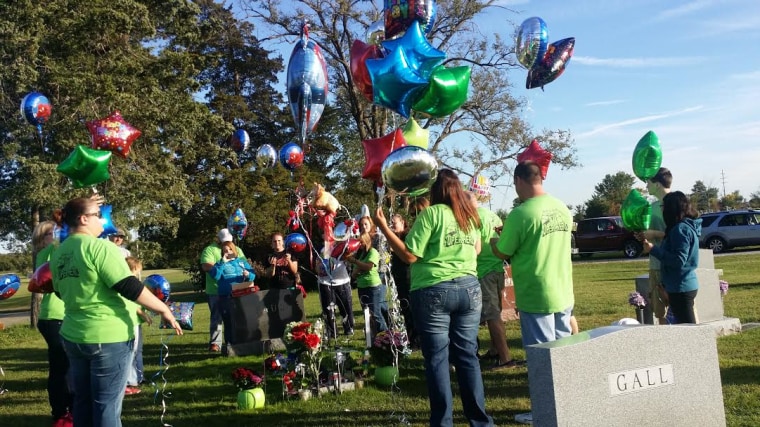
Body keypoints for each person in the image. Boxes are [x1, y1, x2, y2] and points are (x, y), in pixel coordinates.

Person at [374, 169, 493, 427]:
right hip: (469, 289)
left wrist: (383, 227)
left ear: (435, 191)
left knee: (438, 358)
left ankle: (443, 423)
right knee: (467, 356)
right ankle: (481, 421)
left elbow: (409, 255)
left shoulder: (430, 214)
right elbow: (478, 248)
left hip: (433, 290)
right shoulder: (469, 215)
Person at [50, 197, 182, 427]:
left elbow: (61, 292)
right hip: (108, 337)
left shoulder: (59, 253)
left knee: (82, 402)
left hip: (73, 335)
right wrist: (163, 309)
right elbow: (129, 286)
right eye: (97, 215)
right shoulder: (101, 247)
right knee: (106, 406)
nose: (103, 219)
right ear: (83, 219)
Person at [490, 162, 574, 424]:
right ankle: (567, 405)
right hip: (563, 289)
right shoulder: (562, 208)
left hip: (536, 292)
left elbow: (503, 251)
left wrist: (493, 240)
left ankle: (544, 411)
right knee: (562, 355)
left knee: (540, 359)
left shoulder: (521, 213)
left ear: (519, 180)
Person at [466, 192, 515, 370]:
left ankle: (505, 357)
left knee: (492, 315)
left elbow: (474, 246)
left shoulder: (472, 218)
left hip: (483, 270)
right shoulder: (493, 216)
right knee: (496, 312)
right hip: (497, 268)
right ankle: (495, 350)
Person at [33, 220, 74, 427]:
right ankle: (62, 412)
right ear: (43, 238)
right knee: (62, 367)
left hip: (60, 317)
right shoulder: (47, 253)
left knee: (64, 366)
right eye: (52, 232)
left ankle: (66, 410)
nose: (57, 233)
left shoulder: (55, 252)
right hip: (54, 318)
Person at [640, 191, 701, 324]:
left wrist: (653, 250)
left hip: (682, 287)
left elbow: (678, 260)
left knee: (689, 330)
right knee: (682, 328)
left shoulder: (681, 229)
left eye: (663, 206)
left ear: (671, 208)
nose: (661, 209)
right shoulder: (681, 227)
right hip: (678, 286)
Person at [200, 228, 245, 352]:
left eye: (229, 241)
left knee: (236, 317)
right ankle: (215, 343)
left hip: (235, 289)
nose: (227, 244)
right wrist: (221, 268)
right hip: (215, 291)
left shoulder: (237, 249)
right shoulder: (210, 249)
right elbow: (206, 266)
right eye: (224, 241)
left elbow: (244, 263)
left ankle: (235, 342)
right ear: (218, 239)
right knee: (217, 317)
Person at [637, 167, 672, 324]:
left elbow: (682, 235)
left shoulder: (676, 204)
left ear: (657, 184)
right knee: (659, 311)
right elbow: (649, 234)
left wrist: (655, 234)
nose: (646, 186)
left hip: (673, 265)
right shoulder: (652, 207)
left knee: (679, 307)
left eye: (648, 182)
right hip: (655, 264)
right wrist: (642, 236)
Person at [208, 240, 255, 347]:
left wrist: (248, 274)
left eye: (230, 249)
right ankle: (230, 345)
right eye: (225, 251)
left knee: (242, 320)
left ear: (234, 250)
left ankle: (244, 344)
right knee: (228, 322)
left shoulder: (241, 262)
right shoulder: (220, 264)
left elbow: (252, 275)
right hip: (226, 297)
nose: (228, 252)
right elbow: (215, 276)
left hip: (241, 296)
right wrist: (222, 262)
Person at [346, 232, 389, 334]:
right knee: (367, 314)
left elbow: (368, 266)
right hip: (362, 286)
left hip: (373, 287)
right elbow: (355, 272)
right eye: (358, 243)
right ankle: (373, 337)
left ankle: (386, 336)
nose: (359, 245)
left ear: (366, 241)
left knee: (375, 313)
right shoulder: (360, 255)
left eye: (361, 242)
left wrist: (356, 262)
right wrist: (355, 271)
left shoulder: (373, 252)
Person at [357, 216, 390, 331]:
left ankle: (388, 330)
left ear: (371, 224)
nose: (363, 227)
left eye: (365, 224)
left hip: (379, 273)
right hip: (366, 274)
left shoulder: (378, 238)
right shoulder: (361, 239)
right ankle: (387, 329)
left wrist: (364, 266)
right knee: (378, 306)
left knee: (379, 305)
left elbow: (379, 257)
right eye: (361, 225)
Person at [124, 256, 150, 396]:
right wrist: (142, 312)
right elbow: (130, 303)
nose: (138, 274)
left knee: (138, 351)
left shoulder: (135, 282)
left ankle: (139, 377)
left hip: (137, 322)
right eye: (136, 271)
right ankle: (130, 381)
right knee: (131, 352)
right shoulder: (125, 283)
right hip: (130, 321)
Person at [389, 213, 416, 346]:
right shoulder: (393, 238)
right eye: (391, 223)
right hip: (399, 276)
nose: (392, 225)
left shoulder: (406, 236)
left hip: (407, 276)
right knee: (404, 307)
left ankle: (415, 338)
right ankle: (410, 337)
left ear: (402, 223)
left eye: (394, 222)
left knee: (410, 307)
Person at [316, 256, 354, 338]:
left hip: (343, 282)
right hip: (325, 283)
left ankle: (349, 328)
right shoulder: (323, 251)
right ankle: (332, 331)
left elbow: (350, 260)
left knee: (346, 307)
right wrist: (320, 269)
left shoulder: (343, 249)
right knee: (328, 310)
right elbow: (317, 268)